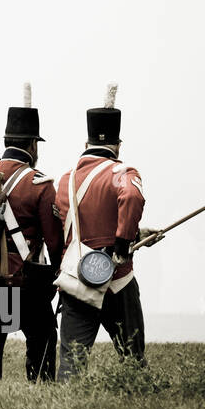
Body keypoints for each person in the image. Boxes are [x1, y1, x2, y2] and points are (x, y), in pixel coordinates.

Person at [55, 84, 151, 382]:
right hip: (118, 280)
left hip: (79, 279)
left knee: (71, 365)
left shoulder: (64, 181)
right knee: (132, 359)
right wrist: (123, 243)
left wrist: (130, 235)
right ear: (118, 144)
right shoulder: (123, 173)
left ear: (86, 142)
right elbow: (132, 199)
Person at [0, 84, 63, 380]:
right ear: (32, 145)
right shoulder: (40, 184)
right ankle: (40, 390)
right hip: (25, 285)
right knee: (44, 339)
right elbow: (54, 242)